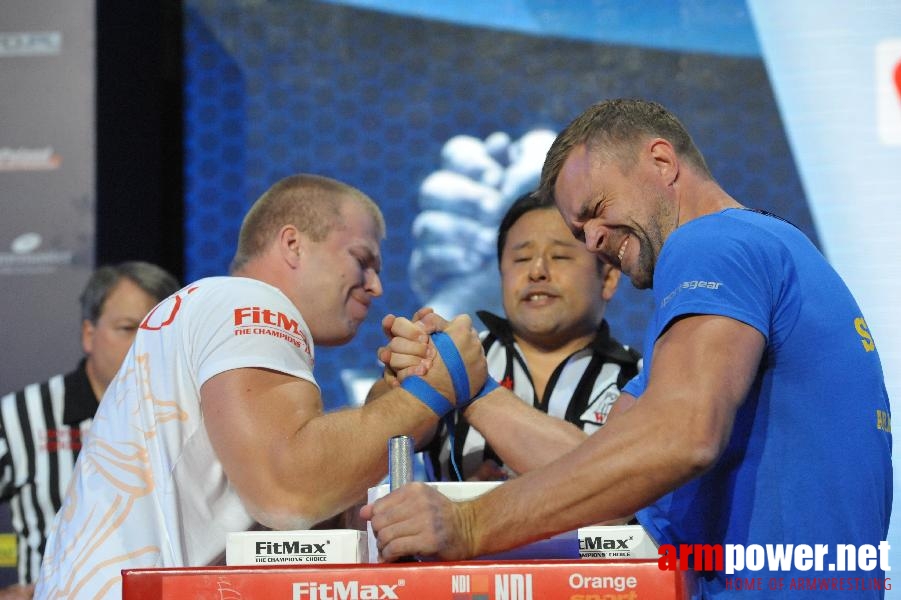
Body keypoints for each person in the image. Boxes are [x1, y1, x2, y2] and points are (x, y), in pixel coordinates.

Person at [363, 99, 892, 598]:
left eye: (595, 210)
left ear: (661, 160)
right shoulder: (756, 261)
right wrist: (467, 384)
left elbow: (681, 438)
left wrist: (469, 523)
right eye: (580, 229)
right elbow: (610, 476)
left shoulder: (712, 243)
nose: (592, 240)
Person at [33, 174, 492, 599]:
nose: (375, 285)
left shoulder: (210, 311)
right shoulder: (247, 301)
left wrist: (387, 401)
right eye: (362, 260)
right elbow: (288, 493)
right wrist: (433, 391)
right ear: (292, 243)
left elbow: (299, 534)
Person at [423, 191, 641, 482]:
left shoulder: (640, 381)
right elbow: (382, 435)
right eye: (522, 258)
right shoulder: (452, 359)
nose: (537, 271)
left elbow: (625, 488)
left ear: (609, 278)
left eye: (560, 256)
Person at [0, 261, 179, 598]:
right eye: (127, 328)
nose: (144, 345)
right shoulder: (20, 417)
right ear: (88, 334)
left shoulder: (194, 415)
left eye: (157, 331)